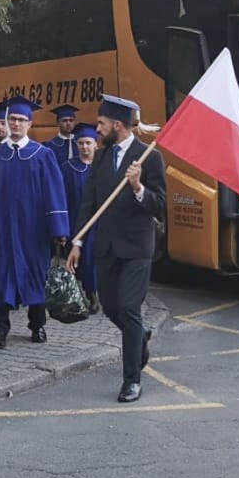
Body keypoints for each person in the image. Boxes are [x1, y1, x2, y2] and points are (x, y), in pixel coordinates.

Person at [67, 94, 166, 403]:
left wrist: (138, 187)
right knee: (111, 307)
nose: (97, 129)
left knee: (128, 308)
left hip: (136, 248)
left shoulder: (149, 157)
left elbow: (160, 206)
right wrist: (77, 241)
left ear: (118, 125)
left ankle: (131, 380)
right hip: (106, 247)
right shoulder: (101, 156)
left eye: (101, 123)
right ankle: (139, 335)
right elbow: (89, 202)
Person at [0, 96, 69, 347]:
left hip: (34, 231)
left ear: (30, 123)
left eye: (21, 120)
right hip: (0, 229)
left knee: (36, 276)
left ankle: (37, 325)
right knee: (0, 276)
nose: (16, 124)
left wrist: (59, 229)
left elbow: (54, 193)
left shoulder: (43, 155)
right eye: (12, 119)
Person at [59, 125, 101, 314]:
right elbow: (62, 197)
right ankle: (85, 293)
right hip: (76, 221)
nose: (84, 147)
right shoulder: (68, 168)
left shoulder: (104, 166)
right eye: (81, 143)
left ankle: (94, 293)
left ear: (96, 144)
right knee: (81, 259)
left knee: (94, 258)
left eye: (88, 143)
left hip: (100, 222)